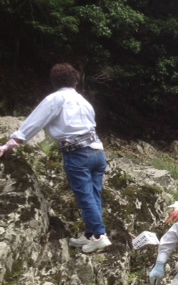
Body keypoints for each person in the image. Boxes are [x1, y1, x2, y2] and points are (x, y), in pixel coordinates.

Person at [0, 63, 110, 254]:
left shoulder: (55, 99)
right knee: (94, 194)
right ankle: (90, 234)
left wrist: (10, 144)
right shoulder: (84, 101)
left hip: (77, 153)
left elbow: (34, 122)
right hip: (97, 151)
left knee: (85, 196)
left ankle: (100, 235)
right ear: (75, 81)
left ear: (54, 82)